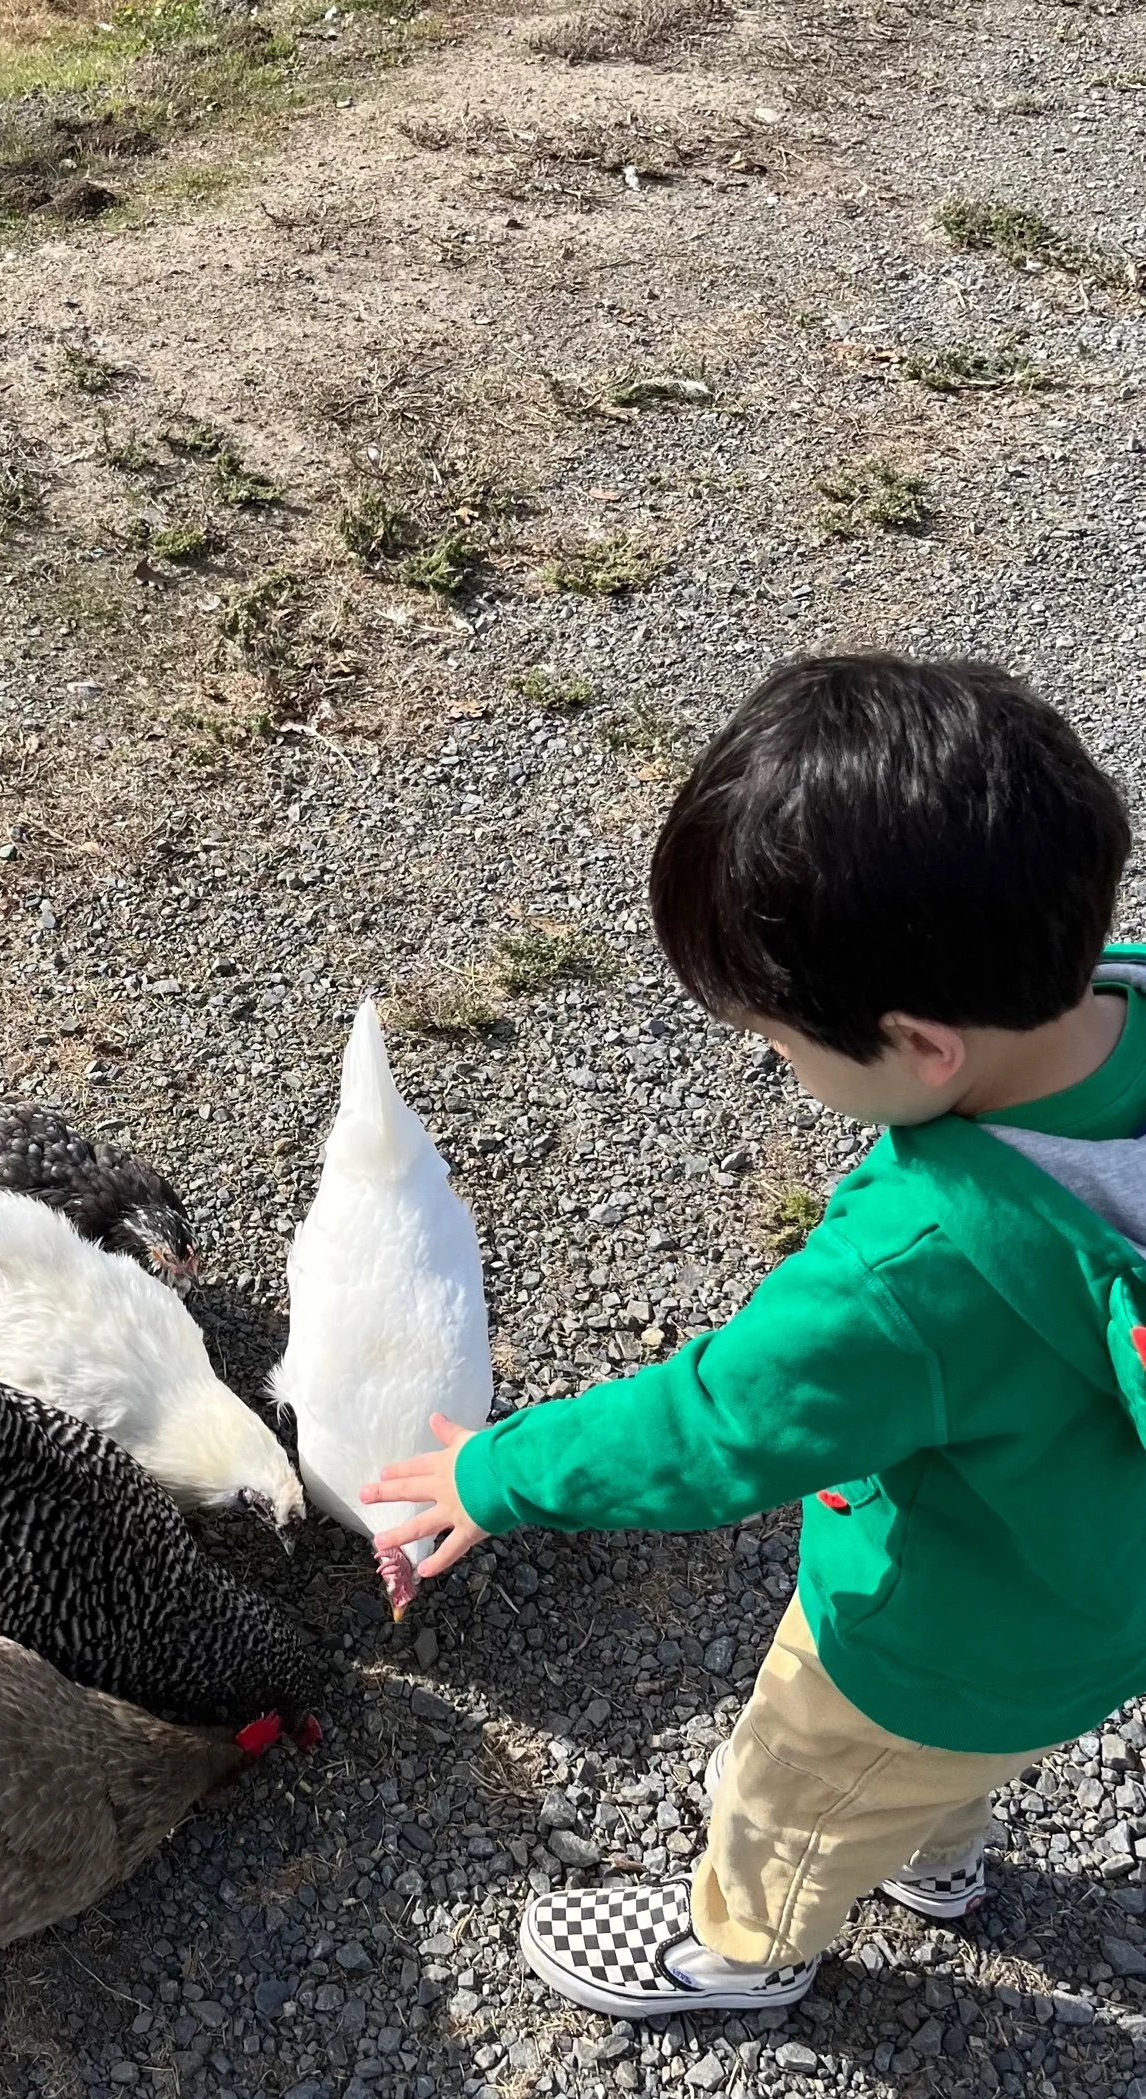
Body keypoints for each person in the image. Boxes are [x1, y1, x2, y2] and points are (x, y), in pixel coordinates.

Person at [362, 654, 1146, 2017]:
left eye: (779, 1043)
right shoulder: (1120, 994)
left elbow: (712, 1426)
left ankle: (739, 1951)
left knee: (795, 1790)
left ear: (919, 1046)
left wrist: (494, 1471)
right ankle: (939, 1858)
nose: (776, 1064)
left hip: (923, 1642)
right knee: (953, 1763)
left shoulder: (912, 1272)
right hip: (1088, 1611)